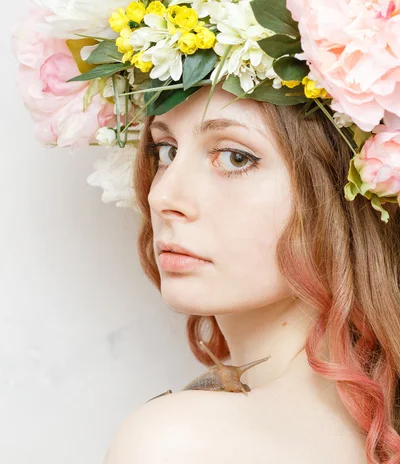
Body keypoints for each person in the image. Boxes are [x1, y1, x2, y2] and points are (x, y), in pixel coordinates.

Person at [103, 82, 400, 463]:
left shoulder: (181, 442)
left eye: (235, 158)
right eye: (166, 151)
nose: (162, 197)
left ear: (339, 189)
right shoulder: (368, 421)